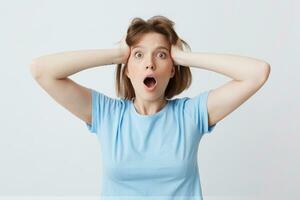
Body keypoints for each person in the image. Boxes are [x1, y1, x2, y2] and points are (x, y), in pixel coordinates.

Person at [29, 15, 270, 200]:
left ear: (172, 68)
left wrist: (185, 57)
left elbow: (257, 73)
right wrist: (115, 54)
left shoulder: (190, 115)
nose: (149, 64)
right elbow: (42, 71)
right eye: (139, 56)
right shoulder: (107, 115)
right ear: (127, 69)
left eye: (161, 55)